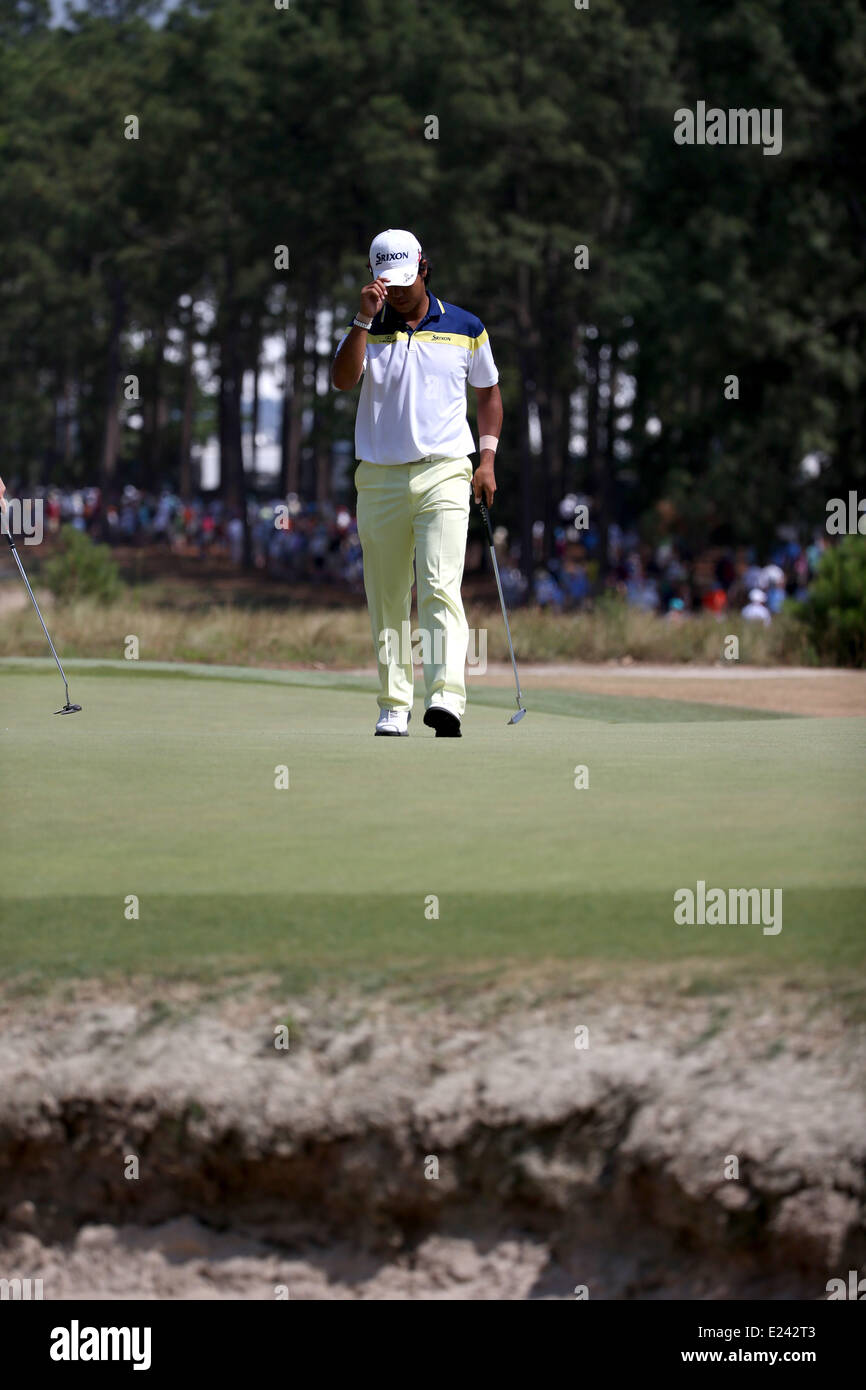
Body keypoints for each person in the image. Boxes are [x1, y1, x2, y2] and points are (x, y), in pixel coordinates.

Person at [332, 229, 502, 737]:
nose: (400, 291)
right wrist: (362, 319)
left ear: (424, 266)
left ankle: (446, 699)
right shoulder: (366, 328)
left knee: (438, 584)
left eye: (407, 279)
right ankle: (393, 704)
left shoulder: (466, 326)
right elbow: (342, 379)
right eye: (390, 282)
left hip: (446, 470)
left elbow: (489, 394)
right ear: (374, 278)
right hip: (379, 476)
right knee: (385, 593)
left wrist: (487, 459)